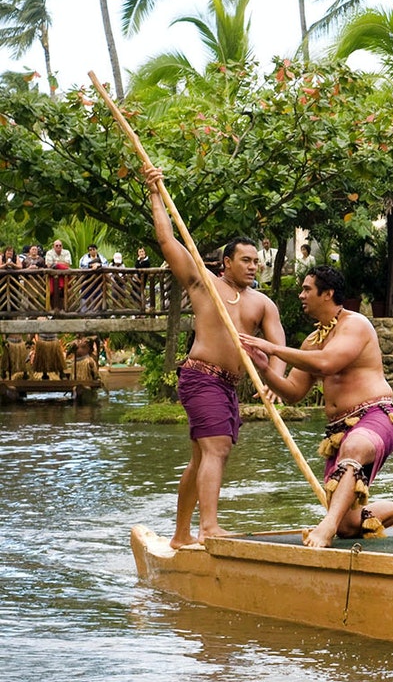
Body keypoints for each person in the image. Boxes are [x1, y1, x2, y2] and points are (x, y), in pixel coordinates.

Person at [143, 165, 287, 549]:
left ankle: (180, 535)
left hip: (228, 385)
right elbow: (167, 241)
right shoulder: (204, 284)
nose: (253, 267)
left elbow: (278, 344)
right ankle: (208, 528)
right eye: (246, 260)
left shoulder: (262, 303)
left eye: (256, 261)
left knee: (202, 456)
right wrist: (155, 193)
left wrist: (275, 380)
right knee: (217, 447)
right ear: (226, 263)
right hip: (200, 376)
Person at [240, 265, 393, 548]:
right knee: (349, 525)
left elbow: (328, 363)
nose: (301, 295)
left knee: (355, 448)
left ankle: (326, 527)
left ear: (327, 293)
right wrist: (266, 369)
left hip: (375, 416)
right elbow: (293, 392)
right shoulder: (312, 341)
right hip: (337, 432)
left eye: (307, 289)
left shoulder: (355, 325)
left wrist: (274, 349)